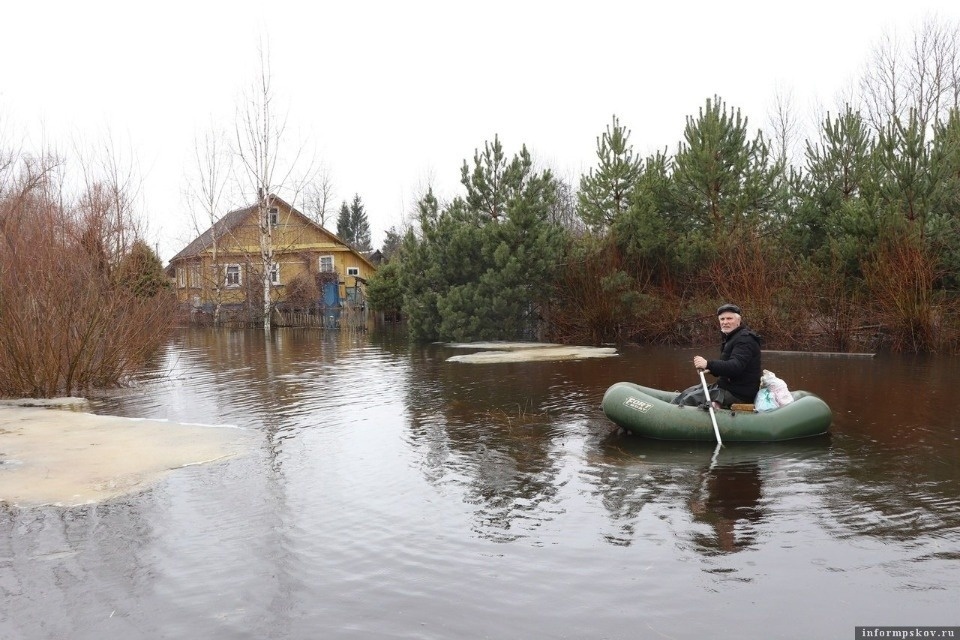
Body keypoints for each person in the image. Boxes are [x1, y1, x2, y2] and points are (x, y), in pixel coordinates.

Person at [672, 303, 762, 409]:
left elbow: (735, 366)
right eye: (722, 319)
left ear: (738, 320)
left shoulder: (745, 340)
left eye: (729, 318)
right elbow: (727, 367)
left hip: (739, 393)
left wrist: (708, 364)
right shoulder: (732, 337)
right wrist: (710, 370)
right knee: (689, 392)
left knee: (690, 399)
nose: (725, 322)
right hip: (727, 387)